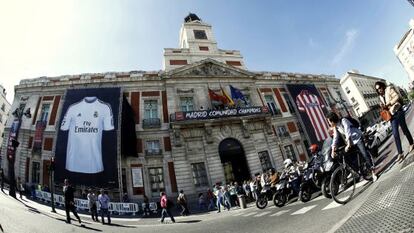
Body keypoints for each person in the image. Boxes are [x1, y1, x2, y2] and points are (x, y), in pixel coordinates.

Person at [327, 112, 377, 181]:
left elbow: (348, 132)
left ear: (332, 120)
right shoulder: (336, 127)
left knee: (364, 154)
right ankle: (358, 170)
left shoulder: (343, 121)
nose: (329, 123)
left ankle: (373, 171)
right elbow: (335, 138)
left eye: (329, 121)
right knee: (346, 156)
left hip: (357, 138)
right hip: (351, 142)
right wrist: (333, 150)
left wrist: (348, 144)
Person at [375, 81, 414, 162]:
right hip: (391, 115)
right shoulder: (380, 97)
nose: (379, 90)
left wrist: (388, 104)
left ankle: (411, 143)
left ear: (382, 86)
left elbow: (396, 97)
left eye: (380, 88)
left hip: (398, 111)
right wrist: (382, 106)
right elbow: (385, 107)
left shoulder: (389, 89)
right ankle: (400, 153)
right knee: (395, 134)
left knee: (404, 129)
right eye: (377, 89)